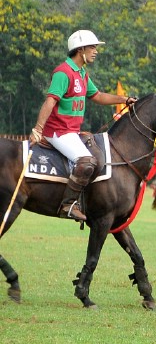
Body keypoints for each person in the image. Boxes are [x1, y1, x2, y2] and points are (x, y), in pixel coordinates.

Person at [30, 30, 136, 222]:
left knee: (98, 159)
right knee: (86, 161)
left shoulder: (82, 74)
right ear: (80, 50)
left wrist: (124, 99)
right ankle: (67, 205)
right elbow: (50, 101)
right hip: (58, 132)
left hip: (72, 132)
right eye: (92, 47)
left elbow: (98, 96)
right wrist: (38, 129)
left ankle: (88, 202)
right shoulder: (64, 72)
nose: (95, 51)